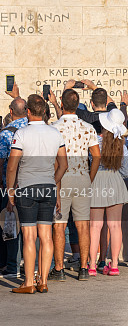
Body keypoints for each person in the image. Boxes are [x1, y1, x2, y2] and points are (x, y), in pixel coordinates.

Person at [7, 94, 68, 294]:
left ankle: (28, 282)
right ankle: (43, 280)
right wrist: (54, 180)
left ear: (28, 111)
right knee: (46, 236)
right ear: (44, 112)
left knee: (29, 236)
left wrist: (10, 191)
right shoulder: (55, 133)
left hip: (26, 186)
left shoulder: (21, 133)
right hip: (48, 186)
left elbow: (12, 166)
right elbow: (64, 164)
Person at [48, 88, 100, 281]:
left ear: (61, 104)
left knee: (59, 225)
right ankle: (84, 268)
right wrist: (89, 177)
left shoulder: (53, 127)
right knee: (83, 225)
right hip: (81, 176)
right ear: (78, 105)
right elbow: (96, 156)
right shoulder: (88, 127)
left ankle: (59, 268)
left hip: (61, 178)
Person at [0, 92, 28, 279]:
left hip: (10, 185)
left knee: (9, 226)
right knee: (30, 227)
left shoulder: (6, 133)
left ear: (10, 111)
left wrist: (0, 183)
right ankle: (31, 265)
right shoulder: (36, 129)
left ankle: (9, 265)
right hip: (32, 184)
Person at [88, 109, 128, 276]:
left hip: (97, 181)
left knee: (95, 226)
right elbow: (125, 171)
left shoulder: (96, 142)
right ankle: (114, 265)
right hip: (116, 181)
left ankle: (91, 265)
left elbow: (90, 162)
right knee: (115, 225)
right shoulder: (123, 147)